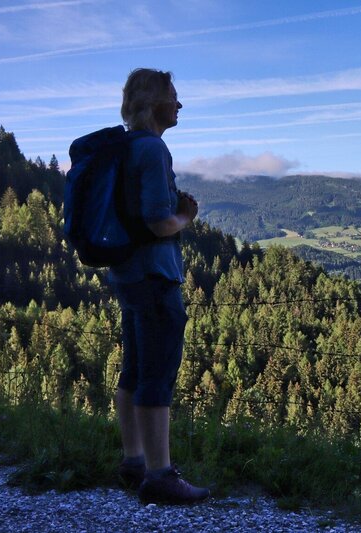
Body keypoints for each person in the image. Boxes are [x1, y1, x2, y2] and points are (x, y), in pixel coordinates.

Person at [111, 68, 209, 504]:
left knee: (133, 370)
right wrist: (185, 216)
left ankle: (133, 462)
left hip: (128, 274)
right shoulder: (152, 149)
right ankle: (161, 475)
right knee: (158, 374)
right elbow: (156, 221)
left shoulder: (124, 148)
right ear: (154, 104)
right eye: (173, 95)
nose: (179, 104)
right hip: (155, 277)